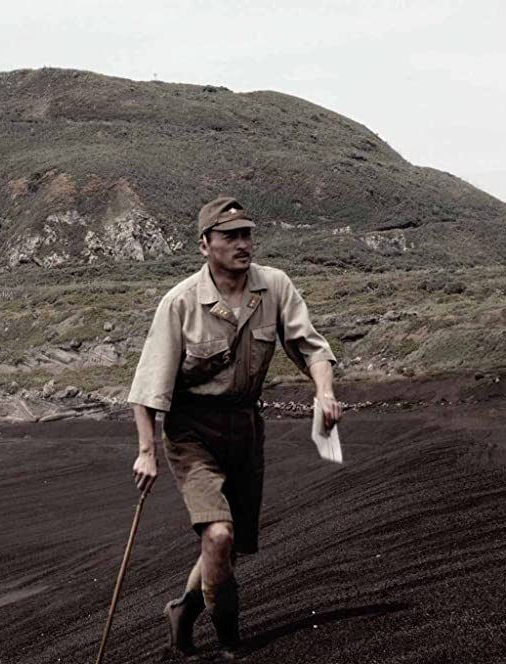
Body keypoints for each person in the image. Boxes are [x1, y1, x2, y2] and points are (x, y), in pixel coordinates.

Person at [127, 195, 342, 657]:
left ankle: (183, 609)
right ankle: (229, 639)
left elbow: (311, 348)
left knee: (230, 544)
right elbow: (147, 388)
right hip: (192, 433)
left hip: (245, 427)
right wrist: (147, 451)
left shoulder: (275, 287)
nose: (243, 244)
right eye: (230, 236)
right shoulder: (181, 303)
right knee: (218, 534)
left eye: (246, 234)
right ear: (205, 244)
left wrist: (323, 391)